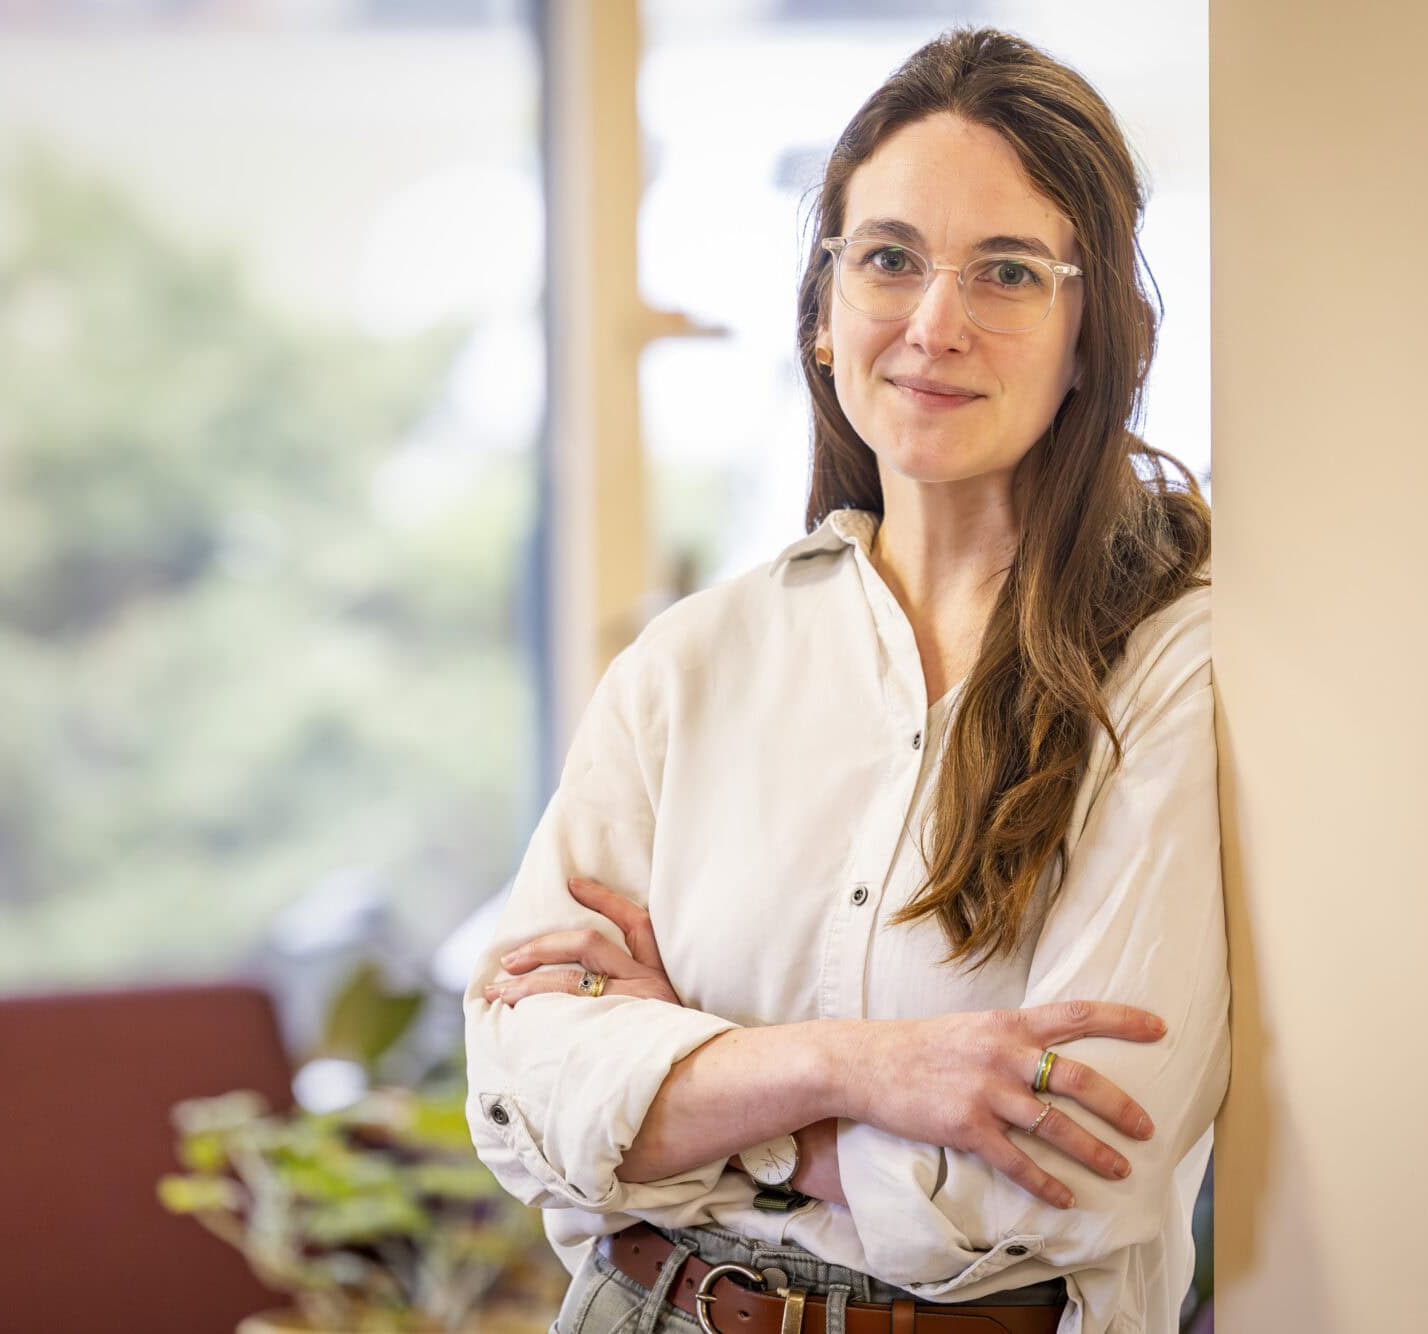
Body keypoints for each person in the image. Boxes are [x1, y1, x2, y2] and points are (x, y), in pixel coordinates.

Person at [463, 25, 1223, 1334]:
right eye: (889, 259)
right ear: (822, 312)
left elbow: (1059, 1183)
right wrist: (858, 1070)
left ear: (1093, 333)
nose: (936, 324)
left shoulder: (1173, 666)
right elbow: (525, 1088)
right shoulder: (687, 664)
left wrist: (684, 1087)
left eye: (1006, 272)